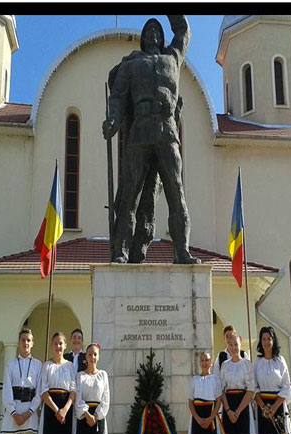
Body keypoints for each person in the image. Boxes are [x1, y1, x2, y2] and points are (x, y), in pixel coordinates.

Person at [102, 15, 199, 265]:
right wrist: (113, 120)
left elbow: (184, 30)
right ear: (143, 38)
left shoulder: (173, 58)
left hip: (167, 129)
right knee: (129, 196)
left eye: (157, 30)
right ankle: (122, 250)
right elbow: (118, 97)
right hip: (140, 130)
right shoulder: (132, 65)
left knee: (176, 191)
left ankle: (182, 250)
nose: (153, 33)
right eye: (148, 30)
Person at [0, 328, 43, 434]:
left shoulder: (38, 365)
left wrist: (29, 413)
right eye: (23, 340)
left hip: (29, 416)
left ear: (32, 343)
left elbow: (40, 391)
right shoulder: (11, 365)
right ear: (18, 343)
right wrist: (14, 413)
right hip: (12, 416)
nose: (26, 343)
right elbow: (7, 390)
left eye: (28, 340)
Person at [35, 332, 77, 434]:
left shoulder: (70, 366)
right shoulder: (46, 366)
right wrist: (57, 410)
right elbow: (44, 391)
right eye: (55, 343)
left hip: (67, 412)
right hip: (50, 411)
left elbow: (74, 390)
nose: (58, 346)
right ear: (52, 346)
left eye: (60, 343)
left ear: (65, 346)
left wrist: (64, 410)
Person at [253, 327, 291, 434]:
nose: (266, 342)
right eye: (263, 339)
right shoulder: (257, 362)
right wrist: (264, 408)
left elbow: (286, 386)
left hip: (278, 407)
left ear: (273, 340)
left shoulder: (280, 361)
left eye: (269, 339)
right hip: (262, 408)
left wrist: (274, 408)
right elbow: (253, 387)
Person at [220, 334, 257, 434]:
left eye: (236, 344)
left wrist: (238, 411)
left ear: (240, 344)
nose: (234, 347)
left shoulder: (247, 364)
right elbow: (221, 390)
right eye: (231, 345)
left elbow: (251, 389)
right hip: (228, 407)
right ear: (227, 346)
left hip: (242, 407)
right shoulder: (224, 365)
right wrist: (229, 411)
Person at [74, 343, 110, 434]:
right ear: (86, 357)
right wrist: (87, 415)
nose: (92, 357)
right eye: (90, 354)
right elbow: (78, 398)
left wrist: (95, 416)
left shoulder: (103, 375)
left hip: (98, 418)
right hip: (84, 417)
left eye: (95, 354)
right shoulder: (80, 376)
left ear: (98, 357)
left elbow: (105, 399)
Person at [187, 352, 225, 434]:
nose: (204, 363)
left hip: (211, 418)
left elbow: (218, 400)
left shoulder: (215, 379)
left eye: (207, 360)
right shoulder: (194, 380)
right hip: (197, 418)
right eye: (202, 360)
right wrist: (198, 419)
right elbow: (190, 402)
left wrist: (211, 418)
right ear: (199, 363)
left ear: (211, 362)